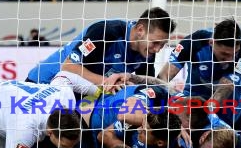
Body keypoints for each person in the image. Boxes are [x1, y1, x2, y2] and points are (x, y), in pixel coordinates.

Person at [26, 7, 175, 91]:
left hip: (77, 91)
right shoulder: (106, 32)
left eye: (162, 45)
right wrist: (109, 82)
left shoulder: (148, 51)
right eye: (155, 43)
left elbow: (143, 87)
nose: (157, 49)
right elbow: (69, 66)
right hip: (43, 83)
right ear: (140, 30)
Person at [157, 18, 241, 136]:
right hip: (193, 102)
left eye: (233, 54)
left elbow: (226, 86)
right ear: (212, 42)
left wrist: (207, 115)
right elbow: (163, 76)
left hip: (229, 105)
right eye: (224, 54)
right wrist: (160, 107)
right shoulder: (193, 43)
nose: (229, 60)